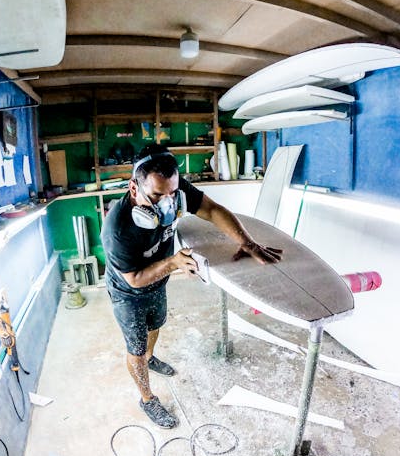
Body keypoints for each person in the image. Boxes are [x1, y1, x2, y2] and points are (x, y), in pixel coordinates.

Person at [101, 148, 282, 429]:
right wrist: (173, 263)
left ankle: (151, 358)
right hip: (128, 291)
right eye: (158, 196)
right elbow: (135, 278)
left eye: (172, 193)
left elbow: (212, 210)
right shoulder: (117, 229)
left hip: (159, 276)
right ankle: (147, 398)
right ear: (133, 188)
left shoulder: (173, 188)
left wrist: (248, 243)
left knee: (156, 323)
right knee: (134, 346)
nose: (168, 203)